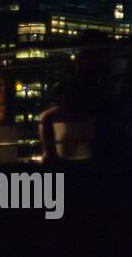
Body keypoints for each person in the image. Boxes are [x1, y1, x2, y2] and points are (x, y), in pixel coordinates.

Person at [38, 31, 112, 162]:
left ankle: (51, 156)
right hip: (82, 102)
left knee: (46, 117)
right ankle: (52, 155)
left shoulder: (91, 62)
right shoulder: (98, 61)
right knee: (46, 117)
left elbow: (85, 83)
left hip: (86, 104)